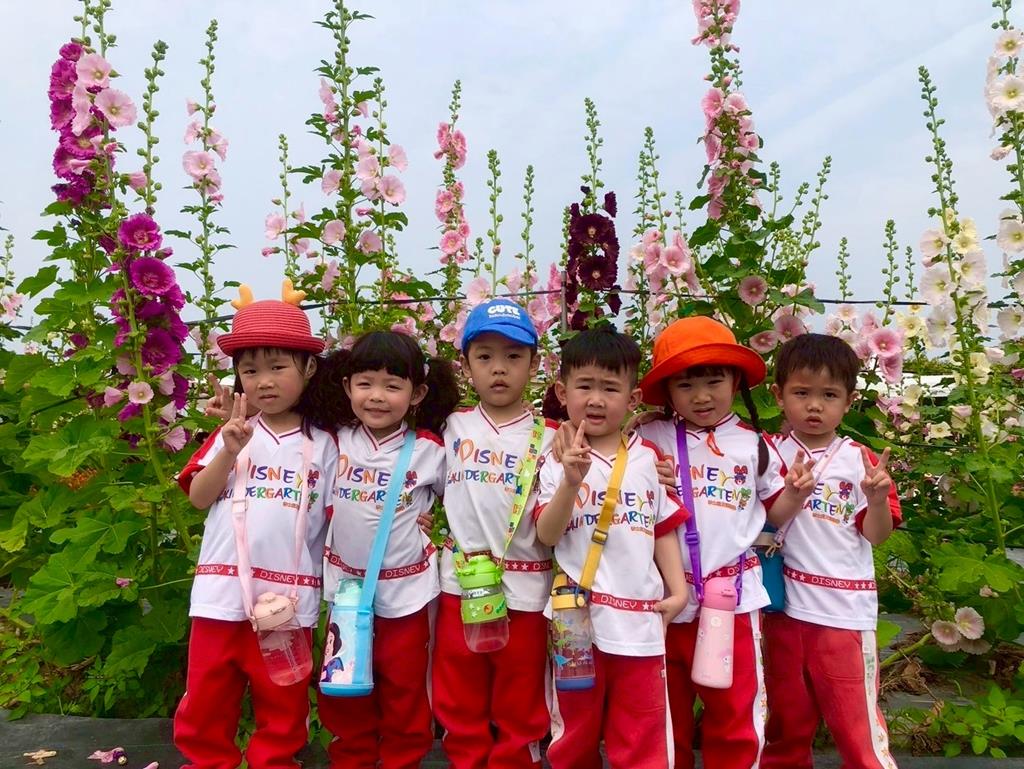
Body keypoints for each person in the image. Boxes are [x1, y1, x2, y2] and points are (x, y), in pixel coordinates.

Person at [633, 315, 816, 769]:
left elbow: (773, 514)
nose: (701, 396)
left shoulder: (754, 445)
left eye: (714, 382)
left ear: (735, 381)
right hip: (664, 597)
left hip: (730, 599)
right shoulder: (648, 437)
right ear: (667, 391)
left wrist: (795, 494)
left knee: (734, 710)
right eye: (685, 385)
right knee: (662, 712)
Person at [174, 282, 338, 769]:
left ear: (309, 368)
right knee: (207, 697)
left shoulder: (327, 445)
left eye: (277, 367)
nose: (264, 381)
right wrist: (229, 450)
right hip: (220, 597)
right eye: (250, 370)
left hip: (288, 603)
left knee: (283, 702)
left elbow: (337, 518)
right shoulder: (231, 434)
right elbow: (199, 497)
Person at [535, 327, 690, 769]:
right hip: (575, 624)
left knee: (642, 731)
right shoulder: (555, 459)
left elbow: (661, 527)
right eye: (584, 386)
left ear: (633, 398)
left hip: (640, 620)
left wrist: (678, 591)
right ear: (562, 392)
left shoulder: (648, 458)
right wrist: (570, 482)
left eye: (610, 388)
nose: (596, 400)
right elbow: (547, 534)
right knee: (574, 731)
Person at [310, 330, 459, 769]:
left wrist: (435, 526)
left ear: (418, 394)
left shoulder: (430, 450)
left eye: (392, 386)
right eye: (365, 383)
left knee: (404, 685)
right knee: (342, 683)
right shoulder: (335, 439)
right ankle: (350, 758)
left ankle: (403, 758)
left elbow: (466, 500)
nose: (377, 396)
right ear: (347, 386)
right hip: (346, 593)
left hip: (407, 594)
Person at [760, 333, 901, 769]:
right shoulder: (767, 453)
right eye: (802, 393)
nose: (815, 406)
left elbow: (876, 536)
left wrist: (876, 501)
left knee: (856, 725)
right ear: (778, 395)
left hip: (843, 614)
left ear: (849, 401)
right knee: (785, 722)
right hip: (782, 610)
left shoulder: (859, 461)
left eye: (829, 395)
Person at [433, 298, 559, 769]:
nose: (499, 368)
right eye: (484, 356)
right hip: (460, 585)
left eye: (513, 356)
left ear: (535, 364)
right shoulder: (449, 427)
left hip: (526, 593)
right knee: (458, 691)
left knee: (520, 696)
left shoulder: (554, 437)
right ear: (466, 366)